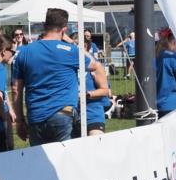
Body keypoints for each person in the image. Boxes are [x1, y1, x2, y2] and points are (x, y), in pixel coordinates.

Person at [12, 8, 107, 146]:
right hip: (62, 114)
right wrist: (72, 43)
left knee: (40, 158)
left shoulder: (24, 52)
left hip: (35, 116)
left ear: (44, 25)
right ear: (64, 29)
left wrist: (19, 120)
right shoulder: (70, 51)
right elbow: (96, 65)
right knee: (65, 157)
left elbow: (16, 89)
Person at [155, 31, 176, 118]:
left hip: (158, 102)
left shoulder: (158, 56)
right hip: (173, 103)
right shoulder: (173, 56)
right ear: (175, 42)